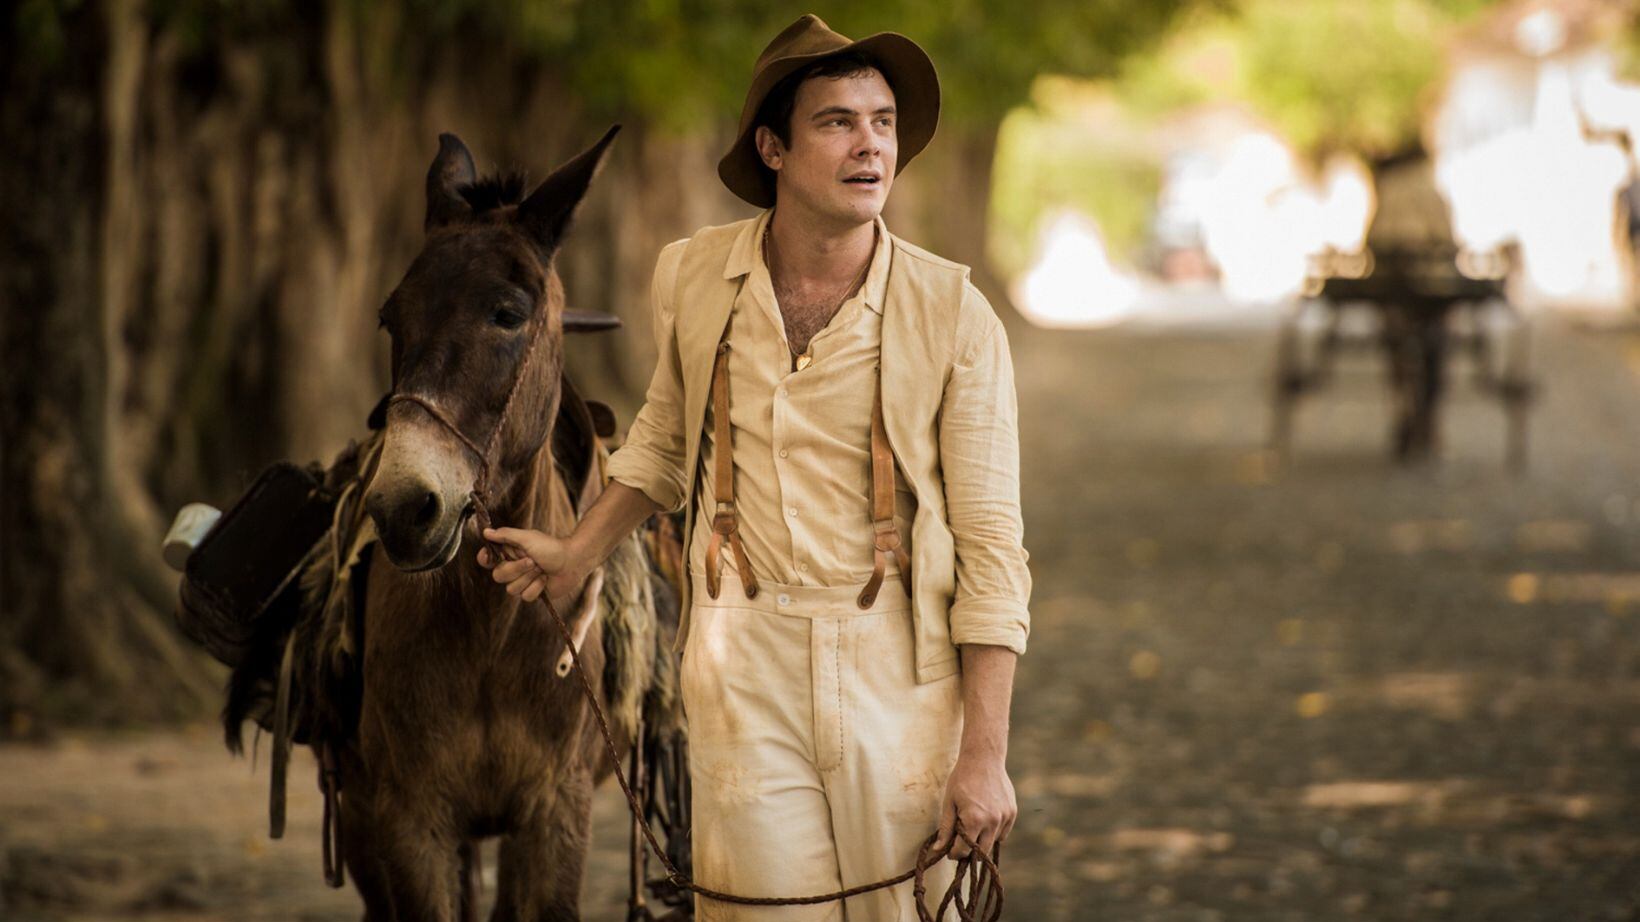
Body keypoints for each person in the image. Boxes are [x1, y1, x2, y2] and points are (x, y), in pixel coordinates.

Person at [478, 14, 1031, 919]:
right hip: (741, 659)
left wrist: (985, 753)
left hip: (901, 669)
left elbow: (992, 547)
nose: (870, 146)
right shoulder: (691, 277)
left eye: (883, 121)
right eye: (838, 122)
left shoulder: (955, 314)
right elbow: (662, 440)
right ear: (772, 147)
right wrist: (578, 552)